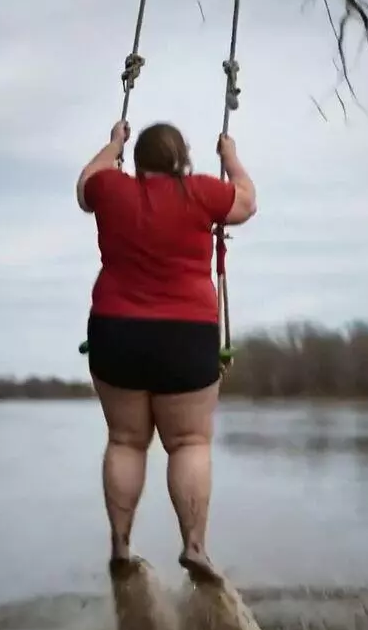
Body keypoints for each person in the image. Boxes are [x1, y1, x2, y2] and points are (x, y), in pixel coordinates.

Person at [76, 121, 256, 581]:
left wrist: (111, 143)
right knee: (189, 442)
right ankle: (194, 547)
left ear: (136, 161)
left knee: (124, 440)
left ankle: (120, 545)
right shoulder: (200, 192)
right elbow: (246, 202)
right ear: (182, 160)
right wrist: (231, 154)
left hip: (117, 331)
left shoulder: (111, 189)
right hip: (186, 334)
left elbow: (84, 186)